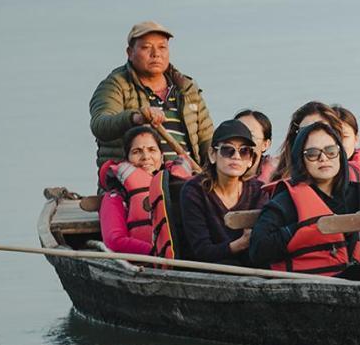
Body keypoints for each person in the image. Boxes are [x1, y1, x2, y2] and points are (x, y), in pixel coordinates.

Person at [248, 121, 360, 279]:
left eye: (331, 151)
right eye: (312, 153)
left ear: (340, 155)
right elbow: (257, 249)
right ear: (300, 159)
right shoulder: (286, 201)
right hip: (308, 288)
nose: (323, 158)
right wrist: (302, 230)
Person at [89, 21, 213, 168]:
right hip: (132, 184)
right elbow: (100, 125)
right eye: (146, 47)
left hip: (186, 182)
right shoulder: (115, 85)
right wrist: (135, 117)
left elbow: (208, 140)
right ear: (130, 53)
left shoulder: (187, 88)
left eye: (162, 47)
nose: (156, 54)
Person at [179, 119, 267, 265]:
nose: (236, 157)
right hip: (208, 274)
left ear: (251, 160)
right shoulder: (194, 191)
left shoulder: (259, 191)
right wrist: (240, 244)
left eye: (244, 151)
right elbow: (201, 250)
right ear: (213, 154)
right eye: (228, 150)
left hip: (251, 273)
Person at [97, 125, 166, 256]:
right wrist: (154, 252)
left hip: (183, 258)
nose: (146, 157)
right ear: (127, 159)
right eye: (137, 151)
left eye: (152, 150)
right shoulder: (115, 197)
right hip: (147, 262)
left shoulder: (180, 188)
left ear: (162, 157)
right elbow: (115, 241)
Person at [234, 109, 276, 183]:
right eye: (237, 134)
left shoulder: (276, 179)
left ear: (265, 145)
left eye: (251, 136)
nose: (241, 141)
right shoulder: (211, 177)